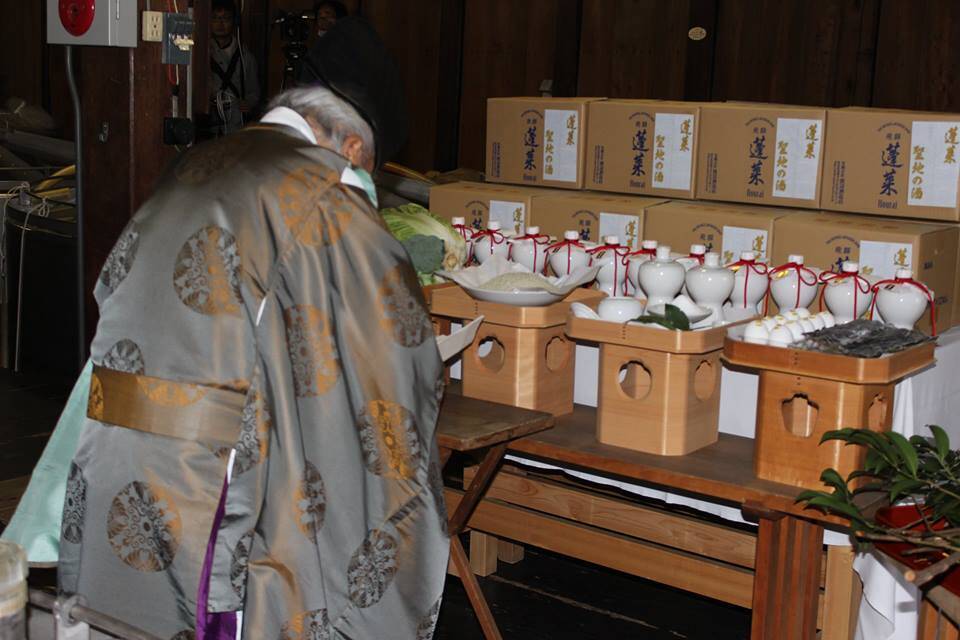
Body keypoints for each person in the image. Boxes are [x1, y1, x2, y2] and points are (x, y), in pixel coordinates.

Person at [6, 16, 444, 640]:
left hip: (119, 452)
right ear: (351, 147)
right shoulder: (326, 195)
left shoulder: (194, 166)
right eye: (371, 169)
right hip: (217, 480)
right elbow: (395, 357)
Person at [209, 0, 259, 135]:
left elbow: (254, 92)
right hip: (210, 125)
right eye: (215, 18)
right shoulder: (202, 55)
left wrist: (248, 103)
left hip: (235, 125)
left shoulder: (245, 57)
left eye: (225, 18)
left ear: (234, 21)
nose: (220, 23)